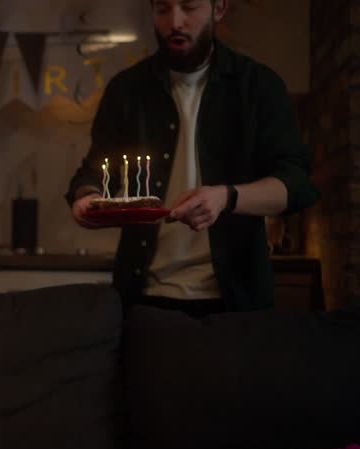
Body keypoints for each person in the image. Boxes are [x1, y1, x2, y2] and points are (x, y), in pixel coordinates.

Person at [66, 0, 319, 315]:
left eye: (189, 7)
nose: (175, 22)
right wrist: (87, 199)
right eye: (163, 9)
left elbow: (296, 185)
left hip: (235, 304)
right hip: (143, 301)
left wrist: (227, 197)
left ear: (219, 8)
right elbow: (92, 173)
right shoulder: (127, 89)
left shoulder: (258, 86)